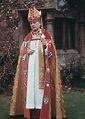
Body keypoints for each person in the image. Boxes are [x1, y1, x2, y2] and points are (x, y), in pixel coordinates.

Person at [9, 5, 66, 119]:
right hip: (30, 70)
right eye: (31, 23)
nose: (33, 25)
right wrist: (26, 51)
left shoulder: (46, 36)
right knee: (31, 89)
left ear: (40, 22)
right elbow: (21, 53)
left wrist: (46, 47)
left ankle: (43, 112)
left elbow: (51, 55)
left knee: (40, 91)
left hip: (42, 71)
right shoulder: (27, 37)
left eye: (35, 22)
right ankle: (31, 111)